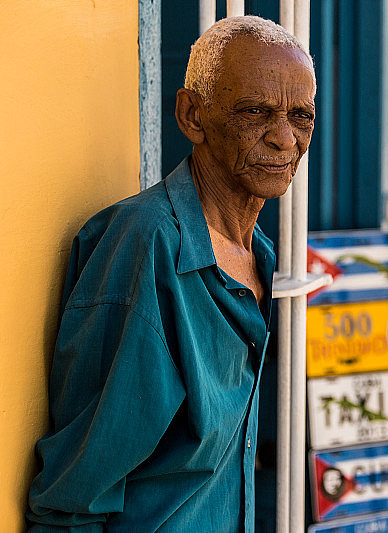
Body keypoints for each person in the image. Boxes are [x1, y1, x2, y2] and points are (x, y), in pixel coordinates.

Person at [26, 16, 315, 532]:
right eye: (255, 111)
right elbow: (74, 497)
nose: (283, 138)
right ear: (191, 115)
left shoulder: (261, 256)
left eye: (302, 116)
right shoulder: (146, 246)